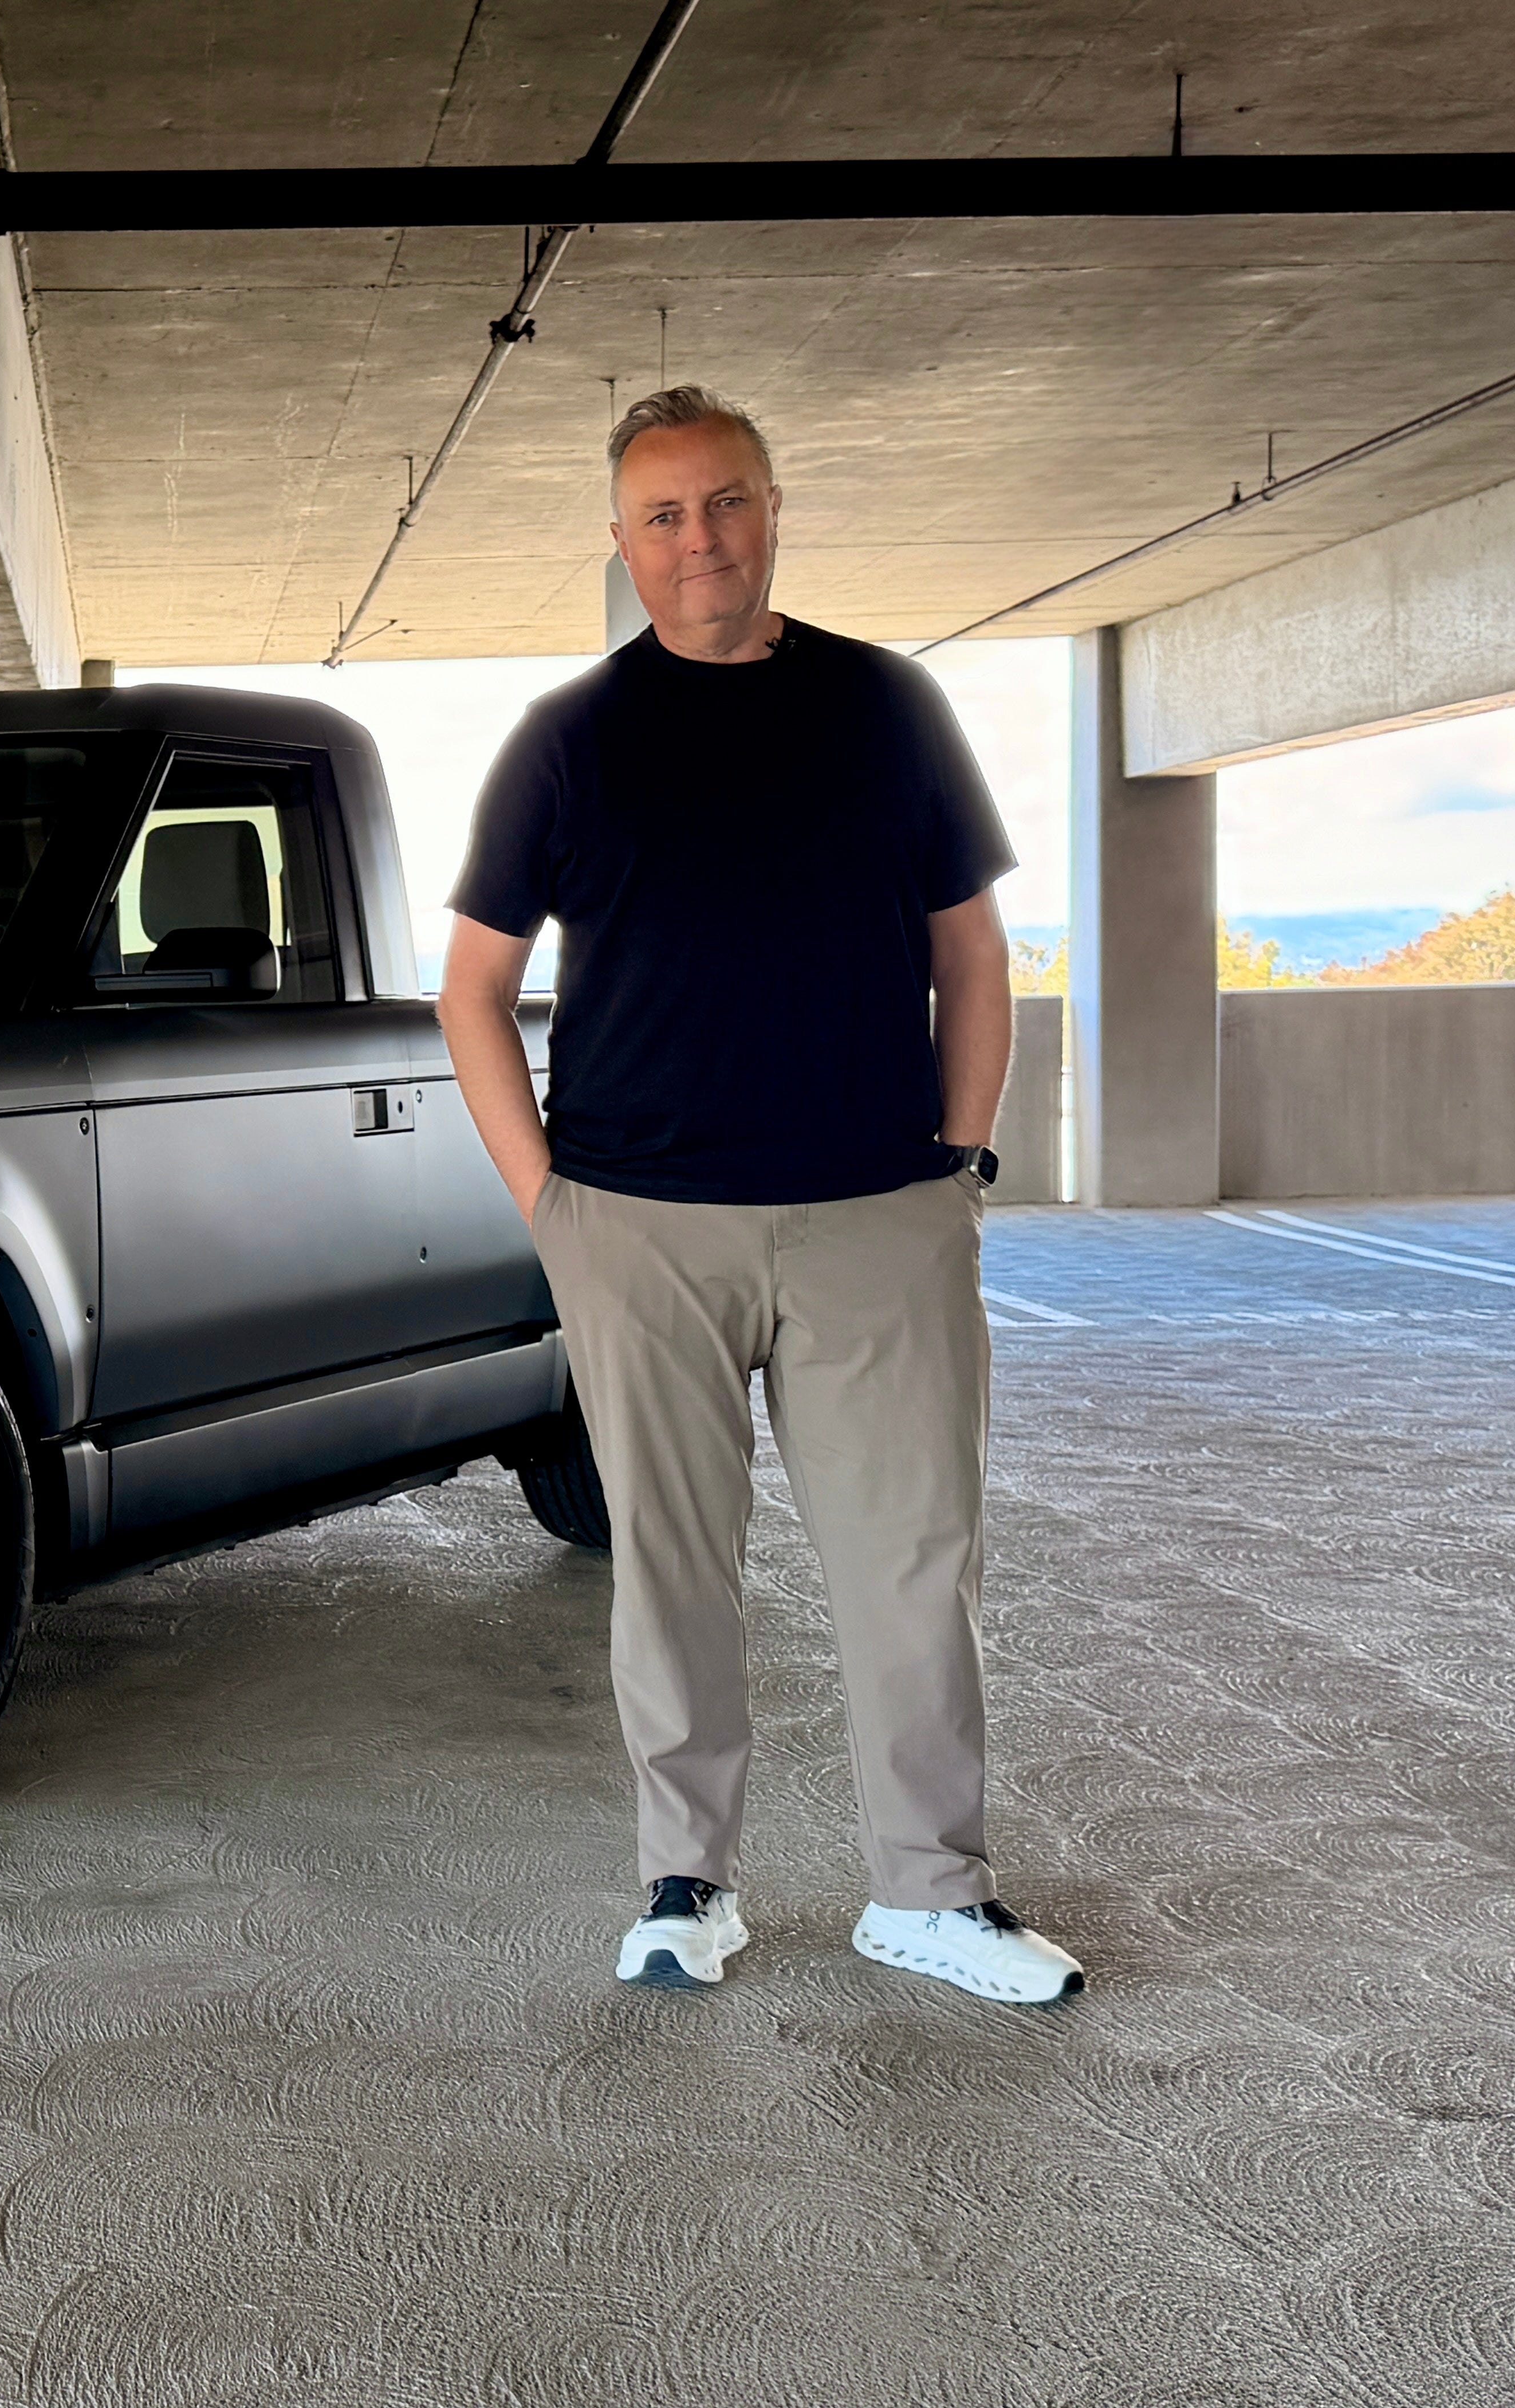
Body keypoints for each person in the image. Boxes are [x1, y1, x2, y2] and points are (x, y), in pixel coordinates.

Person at [436, 384, 1084, 2006]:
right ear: (622, 542)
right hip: (639, 1220)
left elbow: (972, 957)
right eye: (662, 514)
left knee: (913, 1560)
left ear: (775, 509)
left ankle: (930, 1893)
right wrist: (553, 1208)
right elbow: (472, 988)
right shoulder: (569, 741)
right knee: (672, 1567)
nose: (699, 539)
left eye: (724, 503)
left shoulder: (886, 708)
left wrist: (959, 1168)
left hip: (879, 1211)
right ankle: (688, 1887)